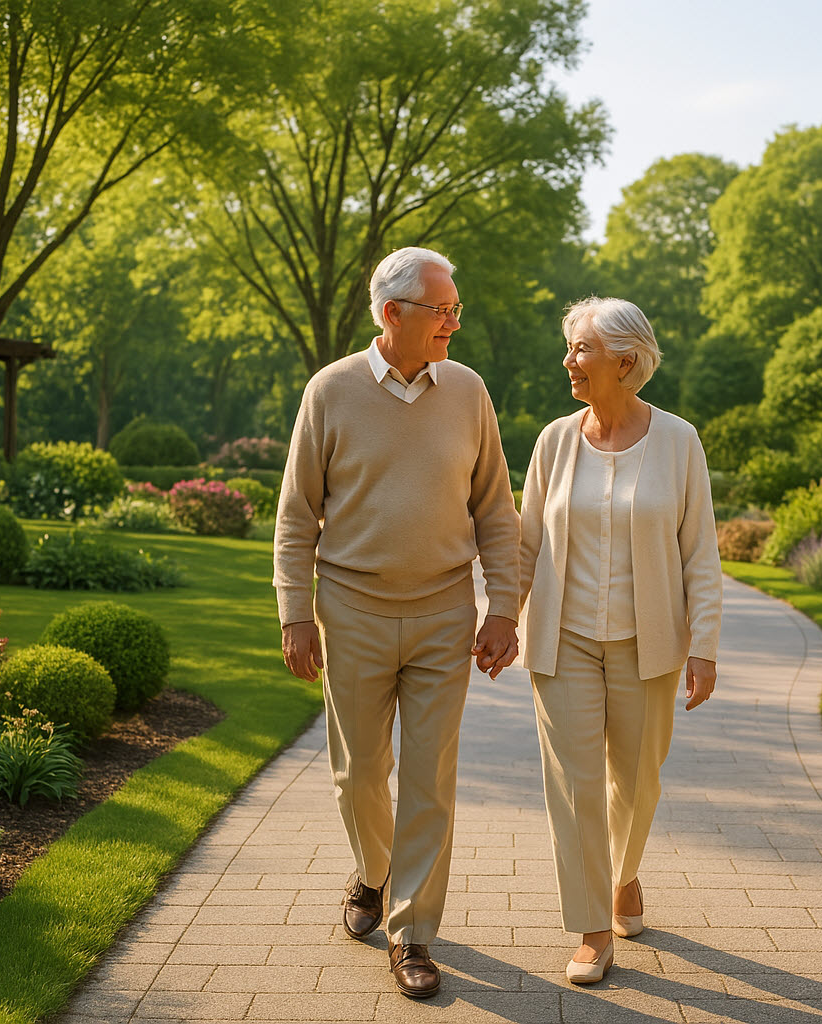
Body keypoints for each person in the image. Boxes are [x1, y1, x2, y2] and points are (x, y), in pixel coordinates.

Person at [272, 246, 520, 1000]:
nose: (453, 323)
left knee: (429, 778)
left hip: (445, 610)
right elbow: (294, 517)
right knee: (357, 776)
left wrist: (504, 606)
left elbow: (496, 512)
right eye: (443, 311)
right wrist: (295, 613)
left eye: (455, 310)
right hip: (351, 608)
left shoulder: (469, 391)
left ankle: (412, 934)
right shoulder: (332, 391)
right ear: (393, 315)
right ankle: (374, 871)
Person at [517, 296, 722, 985]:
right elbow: (524, 545)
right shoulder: (553, 440)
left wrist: (705, 647)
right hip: (562, 638)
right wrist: (496, 621)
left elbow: (700, 553)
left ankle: (625, 875)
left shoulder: (679, 441)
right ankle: (592, 929)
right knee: (574, 788)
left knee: (635, 784)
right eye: (572, 348)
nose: (569, 361)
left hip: (648, 642)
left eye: (582, 350)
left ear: (626, 363)